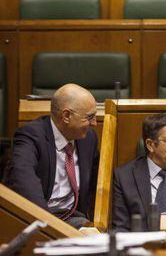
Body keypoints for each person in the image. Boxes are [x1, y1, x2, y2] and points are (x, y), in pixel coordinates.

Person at [7, 84, 99, 229]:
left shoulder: (88, 139)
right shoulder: (31, 136)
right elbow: (25, 186)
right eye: (90, 117)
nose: (94, 123)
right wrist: (52, 230)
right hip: (39, 219)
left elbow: (95, 187)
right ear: (67, 116)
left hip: (74, 218)